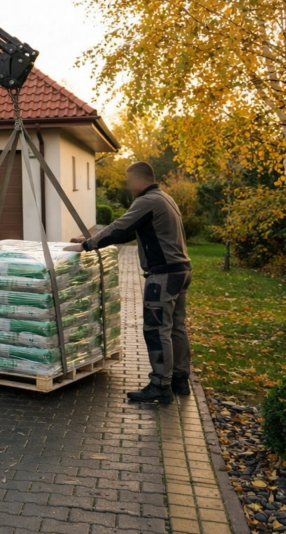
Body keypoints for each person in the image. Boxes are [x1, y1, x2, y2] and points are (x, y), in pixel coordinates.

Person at [66, 162, 192, 404]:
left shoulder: (147, 201)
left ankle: (160, 385)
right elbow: (132, 231)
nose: (127, 186)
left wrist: (85, 246)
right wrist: (90, 238)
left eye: (128, 181)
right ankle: (179, 380)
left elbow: (119, 228)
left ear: (138, 179)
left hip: (163, 276)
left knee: (157, 330)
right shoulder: (165, 198)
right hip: (181, 271)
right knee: (176, 328)